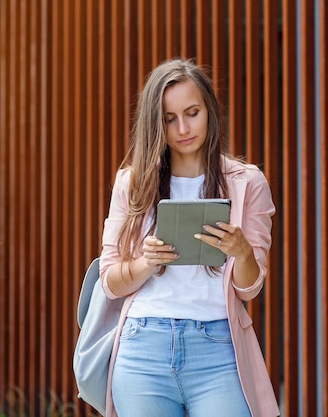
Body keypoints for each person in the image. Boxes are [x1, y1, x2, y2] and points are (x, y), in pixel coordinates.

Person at [99, 58, 280, 417]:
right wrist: (144, 264)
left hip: (218, 349)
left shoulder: (247, 182)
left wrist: (242, 253)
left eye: (192, 112)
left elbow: (250, 288)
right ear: (156, 124)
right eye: (169, 119)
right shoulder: (132, 184)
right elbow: (109, 283)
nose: (183, 127)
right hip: (142, 350)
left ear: (209, 109)